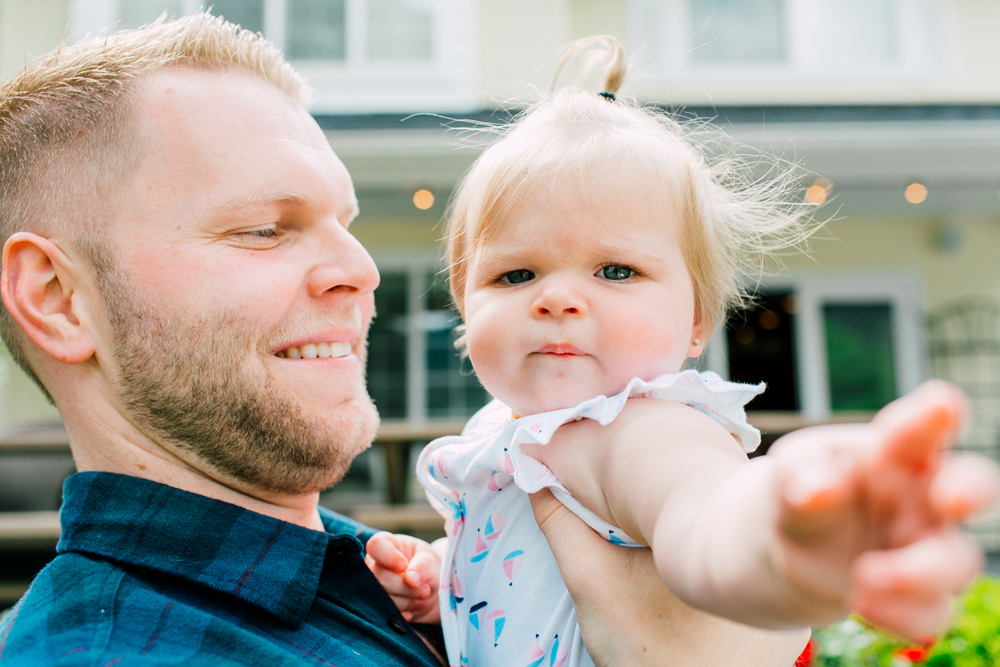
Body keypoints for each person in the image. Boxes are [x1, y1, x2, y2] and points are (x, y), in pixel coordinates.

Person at [0, 15, 812, 667]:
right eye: (263, 228)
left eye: (343, 227)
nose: (361, 271)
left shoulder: (378, 570)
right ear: (60, 299)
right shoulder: (109, 650)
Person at [363, 36, 1000, 667]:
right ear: (465, 304)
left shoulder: (635, 427)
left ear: (697, 319)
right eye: (515, 275)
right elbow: (522, 574)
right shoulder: (497, 433)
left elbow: (700, 515)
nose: (557, 299)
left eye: (614, 271)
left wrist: (779, 535)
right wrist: (440, 577)